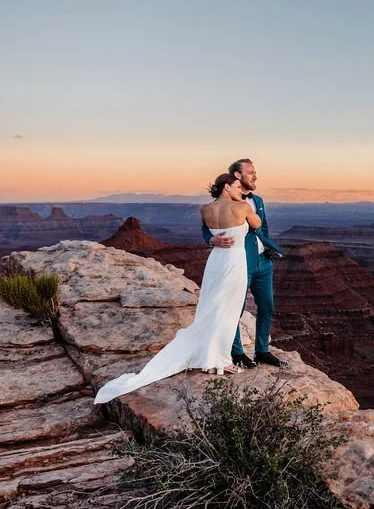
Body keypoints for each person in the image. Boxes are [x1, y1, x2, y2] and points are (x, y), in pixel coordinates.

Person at [95, 173, 281, 404]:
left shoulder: (205, 209)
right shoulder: (242, 206)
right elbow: (257, 224)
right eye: (236, 186)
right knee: (228, 310)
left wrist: (213, 239)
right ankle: (220, 360)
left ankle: (212, 354)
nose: (241, 190)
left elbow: (210, 231)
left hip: (215, 263)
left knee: (212, 307)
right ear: (227, 186)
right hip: (234, 263)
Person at [201, 158, 288, 369]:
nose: (255, 176)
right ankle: (237, 352)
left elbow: (262, 227)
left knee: (267, 306)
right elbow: (206, 227)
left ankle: (262, 351)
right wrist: (211, 240)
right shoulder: (226, 204)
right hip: (240, 262)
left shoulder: (257, 200)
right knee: (235, 309)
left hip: (263, 262)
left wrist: (267, 247)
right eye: (250, 172)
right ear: (237, 176)